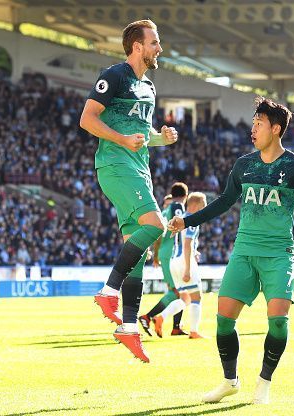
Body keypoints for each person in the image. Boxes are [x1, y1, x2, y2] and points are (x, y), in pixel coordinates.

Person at [168, 97, 294, 405]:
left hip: (278, 254)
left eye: (259, 124)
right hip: (243, 252)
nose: (253, 129)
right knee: (223, 320)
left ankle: (263, 383)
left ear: (275, 129)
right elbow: (224, 202)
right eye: (252, 123)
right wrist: (187, 220)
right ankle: (229, 381)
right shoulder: (243, 165)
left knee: (278, 320)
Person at [79, 19, 178, 363]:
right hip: (116, 167)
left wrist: (159, 138)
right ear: (137, 46)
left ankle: (130, 327)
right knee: (157, 226)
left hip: (140, 170)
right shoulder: (115, 75)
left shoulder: (148, 87)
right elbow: (87, 119)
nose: (158, 48)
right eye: (154, 42)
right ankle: (109, 291)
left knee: (137, 248)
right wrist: (121, 139)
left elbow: (141, 132)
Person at [153, 192, 208, 339]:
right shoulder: (191, 220)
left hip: (173, 261)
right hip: (185, 261)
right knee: (197, 297)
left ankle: (161, 318)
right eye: (203, 204)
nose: (205, 208)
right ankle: (194, 332)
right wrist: (188, 268)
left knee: (185, 298)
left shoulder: (179, 218)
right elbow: (187, 244)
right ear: (196, 205)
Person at [140, 184, 189, 337]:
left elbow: (158, 234)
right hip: (172, 254)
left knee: (179, 290)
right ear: (186, 195)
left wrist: (155, 255)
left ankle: (176, 327)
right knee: (176, 291)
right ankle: (147, 317)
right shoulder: (177, 208)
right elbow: (180, 229)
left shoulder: (164, 212)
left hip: (165, 253)